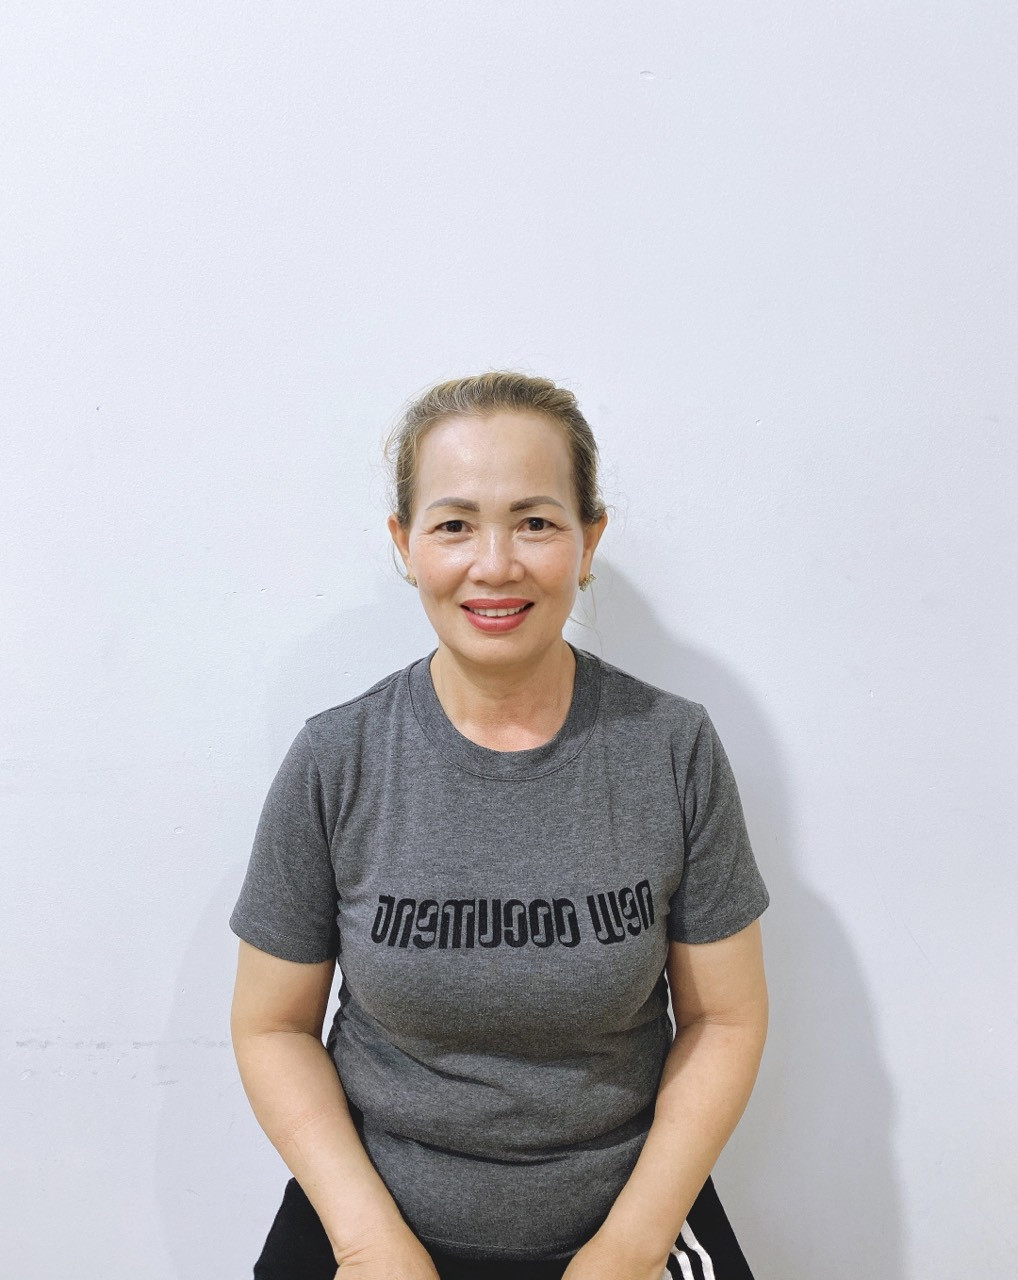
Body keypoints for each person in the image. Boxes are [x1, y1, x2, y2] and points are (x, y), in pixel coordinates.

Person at [229, 370, 770, 1280]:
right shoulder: (336, 759)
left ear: (589, 540)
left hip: (624, 1218)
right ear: (404, 544)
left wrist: (628, 1249)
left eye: (535, 522)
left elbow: (725, 1018)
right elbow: (272, 1027)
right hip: (374, 1215)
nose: (495, 564)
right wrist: (366, 1242)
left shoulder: (671, 747)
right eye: (454, 525)